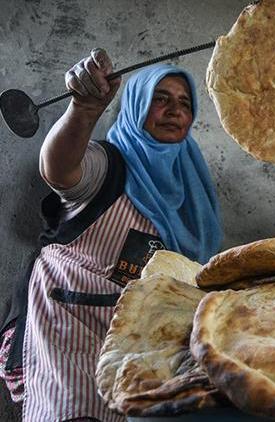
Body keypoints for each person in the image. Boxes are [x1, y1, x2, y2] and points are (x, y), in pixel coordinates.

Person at [0, 48, 223, 421]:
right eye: (161, 99)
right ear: (136, 105)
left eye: (185, 103)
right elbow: (59, 170)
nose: (175, 110)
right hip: (67, 335)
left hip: (139, 345)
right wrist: (84, 110)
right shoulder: (109, 162)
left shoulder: (191, 185)